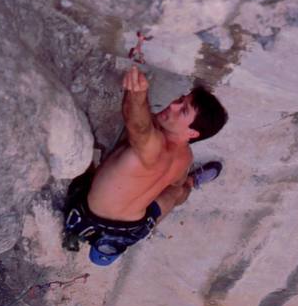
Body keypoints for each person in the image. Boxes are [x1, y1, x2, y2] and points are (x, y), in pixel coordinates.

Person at [64, 65, 228, 265]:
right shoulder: (185, 156)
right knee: (179, 189)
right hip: (133, 229)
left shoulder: (152, 146)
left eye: (182, 110)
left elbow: (139, 126)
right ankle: (191, 181)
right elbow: (144, 129)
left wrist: (138, 94)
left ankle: (189, 181)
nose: (173, 105)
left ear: (193, 133)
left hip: (87, 216)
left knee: (89, 152)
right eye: (181, 100)